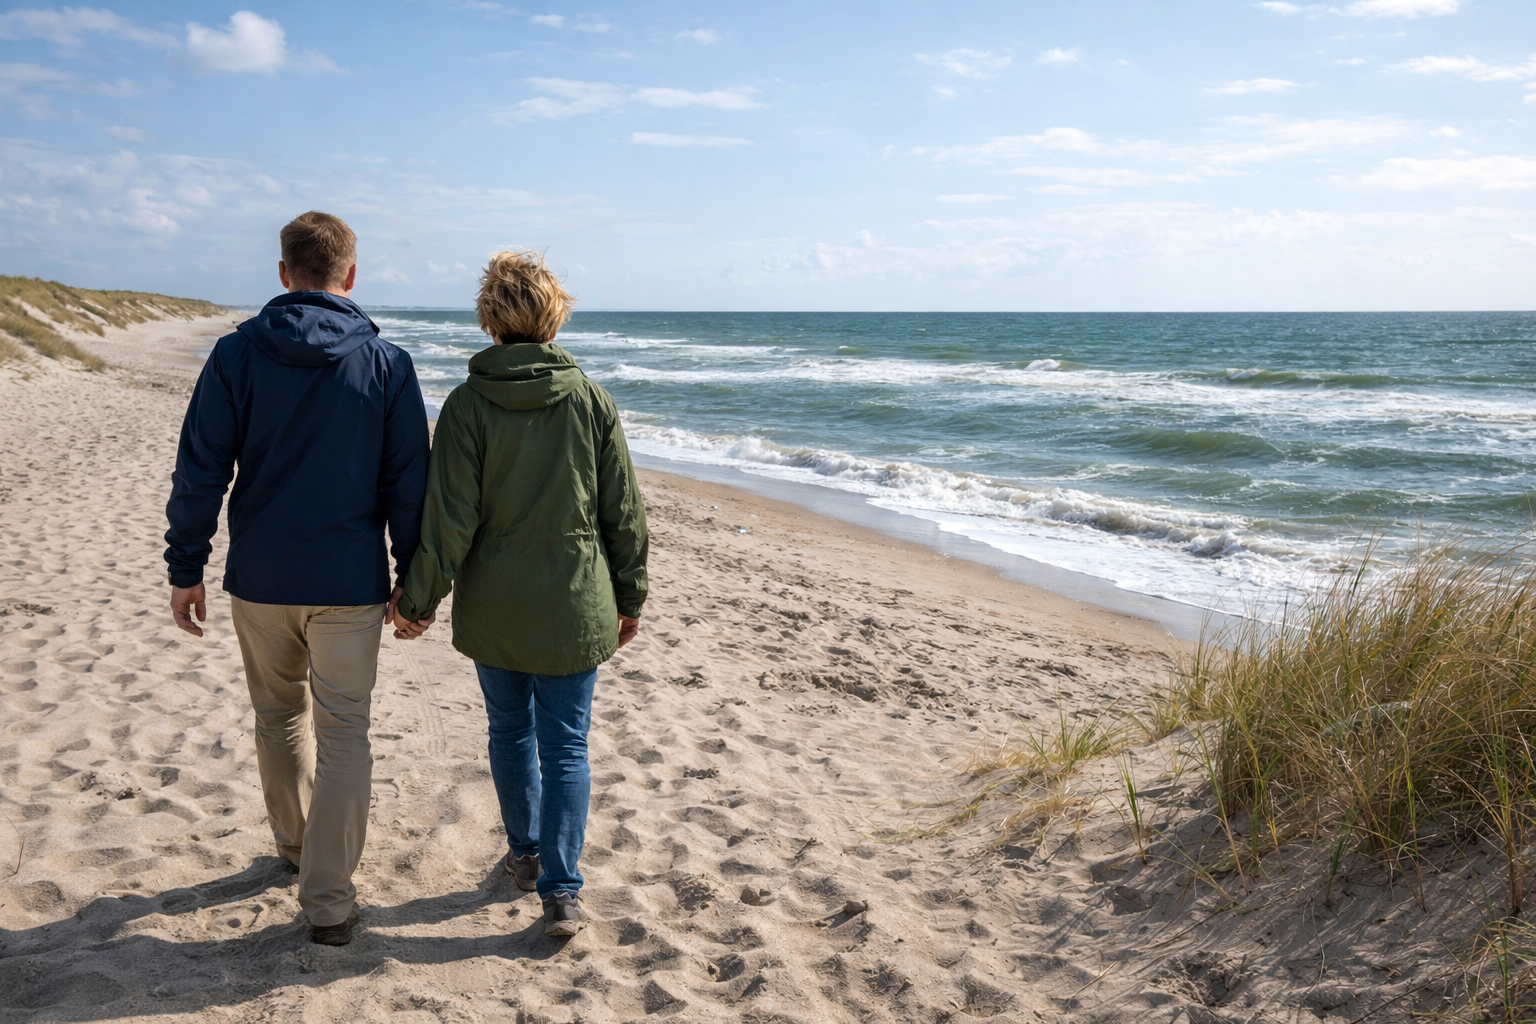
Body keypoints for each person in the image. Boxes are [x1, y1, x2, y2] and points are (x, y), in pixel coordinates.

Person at [164, 211, 429, 946]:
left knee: (278, 715)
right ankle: (329, 900)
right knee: (344, 734)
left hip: (261, 577)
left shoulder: (236, 354)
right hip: (348, 582)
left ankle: (295, 848)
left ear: (283, 273)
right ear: (352, 274)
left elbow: (200, 469)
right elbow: (409, 486)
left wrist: (186, 566)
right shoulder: (387, 363)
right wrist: (414, 577)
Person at [391, 249, 649, 938]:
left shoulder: (469, 405)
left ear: (491, 321)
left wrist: (417, 602)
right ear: (554, 317)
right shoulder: (591, 400)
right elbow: (623, 513)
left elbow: (449, 519)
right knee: (566, 746)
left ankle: (527, 856)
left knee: (510, 730)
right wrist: (630, 595)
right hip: (574, 599)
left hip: (496, 604)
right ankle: (562, 893)